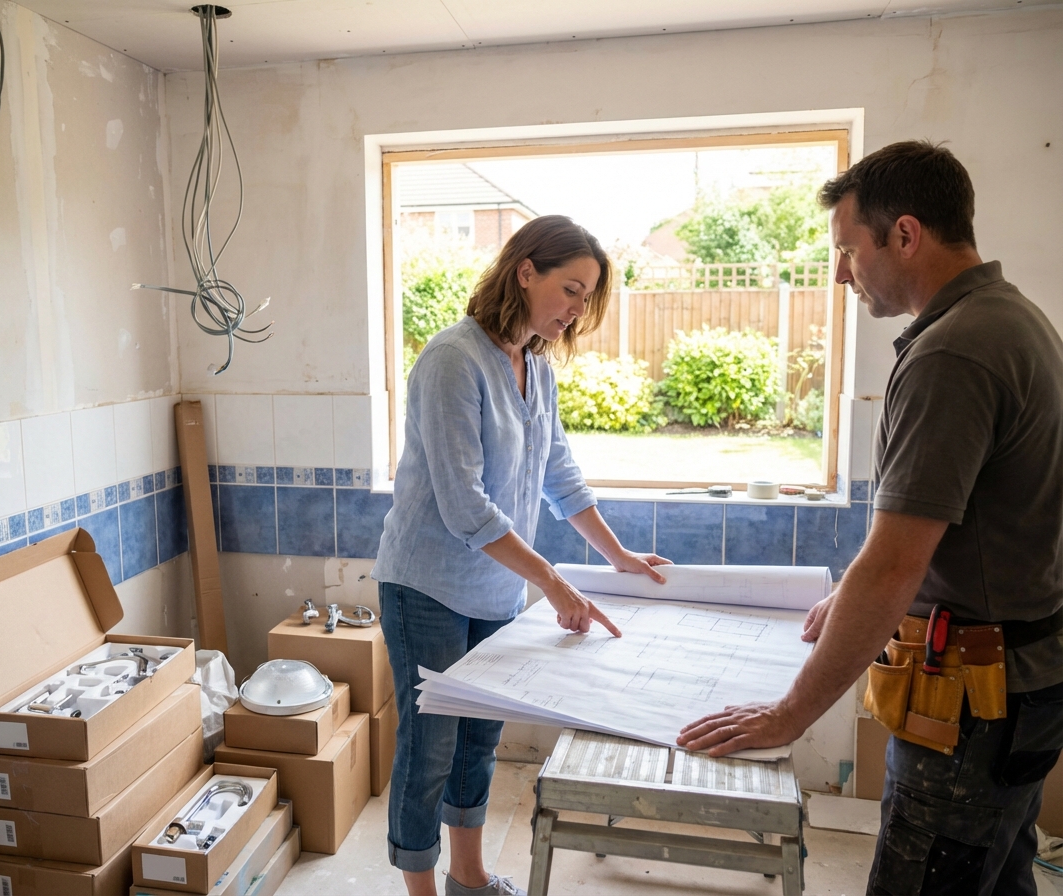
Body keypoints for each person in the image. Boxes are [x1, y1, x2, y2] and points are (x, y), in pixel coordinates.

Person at [676, 141, 1063, 895]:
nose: (841, 273)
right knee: (996, 875)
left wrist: (787, 716)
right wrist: (852, 595)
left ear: (907, 235)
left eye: (850, 249)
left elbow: (895, 565)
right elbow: (947, 527)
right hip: (1025, 682)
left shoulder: (954, 353)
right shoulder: (1014, 319)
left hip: (976, 707)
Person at [372, 215, 670, 896]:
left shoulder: (535, 364)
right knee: (430, 751)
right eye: (570, 289)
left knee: (479, 743)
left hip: (495, 590)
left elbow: (560, 475)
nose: (576, 310)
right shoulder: (452, 360)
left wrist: (619, 555)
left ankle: (469, 878)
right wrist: (555, 583)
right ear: (524, 270)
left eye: (586, 297)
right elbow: (462, 503)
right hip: (427, 588)